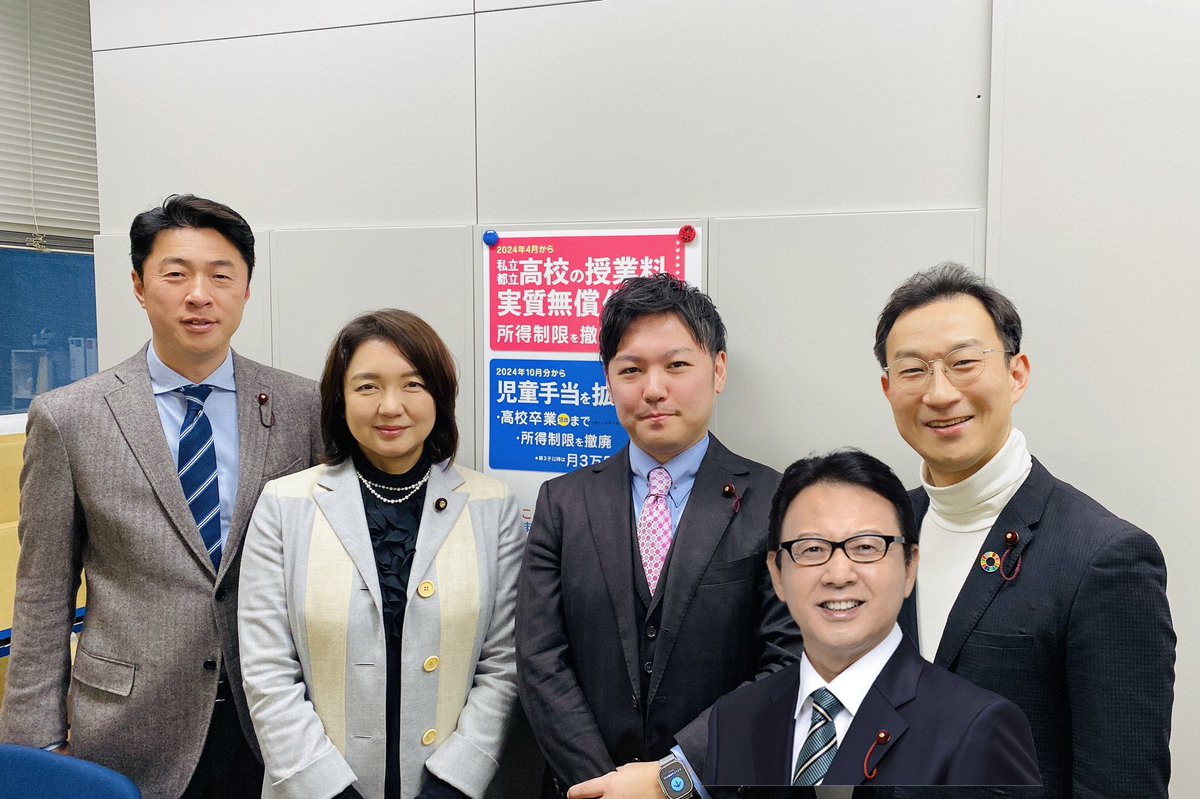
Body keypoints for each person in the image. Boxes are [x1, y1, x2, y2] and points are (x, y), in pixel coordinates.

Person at [0, 194, 322, 798]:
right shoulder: (70, 417)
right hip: (128, 724)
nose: (199, 295)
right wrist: (34, 745)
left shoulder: (303, 406)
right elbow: (43, 590)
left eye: (220, 276)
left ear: (245, 290)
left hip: (274, 717)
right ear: (139, 286)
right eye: (175, 274)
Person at [873, 262, 1175, 798]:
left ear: (1017, 375)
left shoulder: (1105, 557)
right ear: (887, 388)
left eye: (964, 363)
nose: (939, 393)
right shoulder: (884, 532)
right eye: (913, 370)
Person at [516, 273, 803, 799]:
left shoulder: (779, 501)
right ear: (608, 380)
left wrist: (674, 778)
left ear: (718, 370)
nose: (653, 390)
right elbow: (540, 659)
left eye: (676, 365)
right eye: (631, 369)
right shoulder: (561, 502)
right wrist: (603, 788)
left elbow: (791, 661)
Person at [238, 309, 523, 799]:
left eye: (413, 384)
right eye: (367, 386)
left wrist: (456, 781)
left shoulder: (491, 506)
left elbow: (505, 663)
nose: (391, 406)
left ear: (439, 396)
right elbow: (267, 669)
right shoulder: (285, 505)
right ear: (340, 399)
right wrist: (325, 787)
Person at [703, 450, 1039, 788]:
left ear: (910, 567)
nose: (838, 575)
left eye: (865, 547)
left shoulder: (977, 728)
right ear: (777, 574)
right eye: (812, 549)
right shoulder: (732, 719)